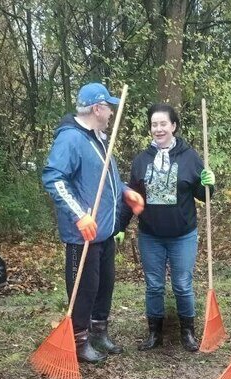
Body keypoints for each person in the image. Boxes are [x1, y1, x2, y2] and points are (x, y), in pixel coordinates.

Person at [41, 82, 144, 363]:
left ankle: (99, 332)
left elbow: (106, 179)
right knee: (83, 289)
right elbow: (54, 179)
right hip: (82, 235)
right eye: (108, 107)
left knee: (104, 285)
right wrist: (80, 215)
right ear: (97, 108)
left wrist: (125, 192)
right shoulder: (71, 139)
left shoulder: (97, 138)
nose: (111, 112)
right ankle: (78, 339)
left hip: (105, 232)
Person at [119, 103, 215, 352]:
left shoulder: (190, 156)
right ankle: (154, 334)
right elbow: (132, 198)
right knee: (154, 285)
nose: (158, 128)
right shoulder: (141, 160)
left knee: (182, 284)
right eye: (154, 124)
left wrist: (208, 184)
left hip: (182, 234)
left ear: (173, 126)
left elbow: (203, 196)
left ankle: (188, 333)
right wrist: (119, 226)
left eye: (163, 123)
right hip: (150, 235)